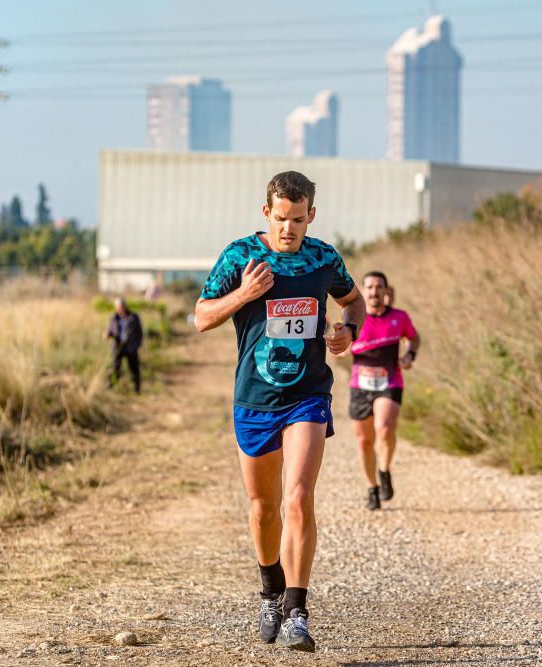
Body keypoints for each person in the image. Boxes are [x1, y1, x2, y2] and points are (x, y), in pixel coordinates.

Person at [194, 171, 365, 653]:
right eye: (280, 218)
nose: (288, 228)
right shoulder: (240, 256)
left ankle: (296, 611)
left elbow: (352, 302)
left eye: (297, 219)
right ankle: (269, 591)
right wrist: (244, 294)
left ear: (311, 214)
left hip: (308, 395)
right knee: (263, 509)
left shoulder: (323, 257)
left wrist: (347, 333)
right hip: (255, 399)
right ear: (265, 212)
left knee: (298, 498)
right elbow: (201, 316)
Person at [349, 272, 420, 510]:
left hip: (390, 382)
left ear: (386, 291)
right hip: (360, 385)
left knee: (385, 428)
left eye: (379, 287)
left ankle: (384, 469)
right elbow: (338, 346)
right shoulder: (353, 318)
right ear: (362, 290)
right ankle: (372, 488)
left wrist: (410, 354)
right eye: (369, 287)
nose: (374, 291)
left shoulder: (399, 317)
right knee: (363, 442)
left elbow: (413, 338)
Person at [105, 297, 143, 393]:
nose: (120, 309)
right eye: (118, 307)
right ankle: (110, 387)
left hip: (131, 347)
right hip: (118, 347)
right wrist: (107, 334)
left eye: (121, 306)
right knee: (115, 367)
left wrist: (137, 345)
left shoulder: (133, 317)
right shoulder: (114, 317)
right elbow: (110, 329)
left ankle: (136, 389)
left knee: (134, 369)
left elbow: (140, 333)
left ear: (125, 306)